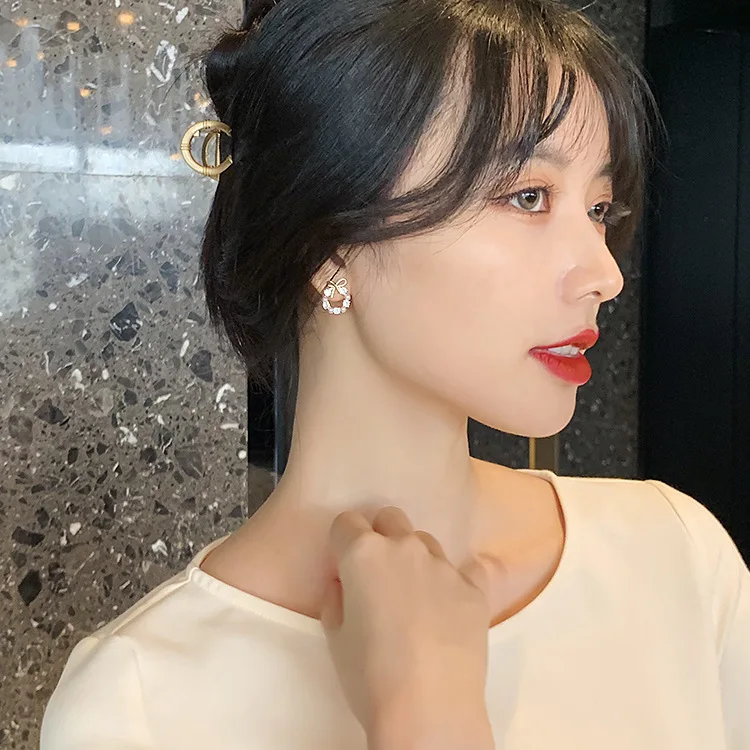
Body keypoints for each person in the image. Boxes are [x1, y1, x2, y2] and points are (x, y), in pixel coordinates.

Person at [40, 0, 750, 747]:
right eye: (529, 197)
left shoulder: (675, 557)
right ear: (329, 244)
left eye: (600, 207)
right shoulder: (141, 704)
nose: (605, 274)